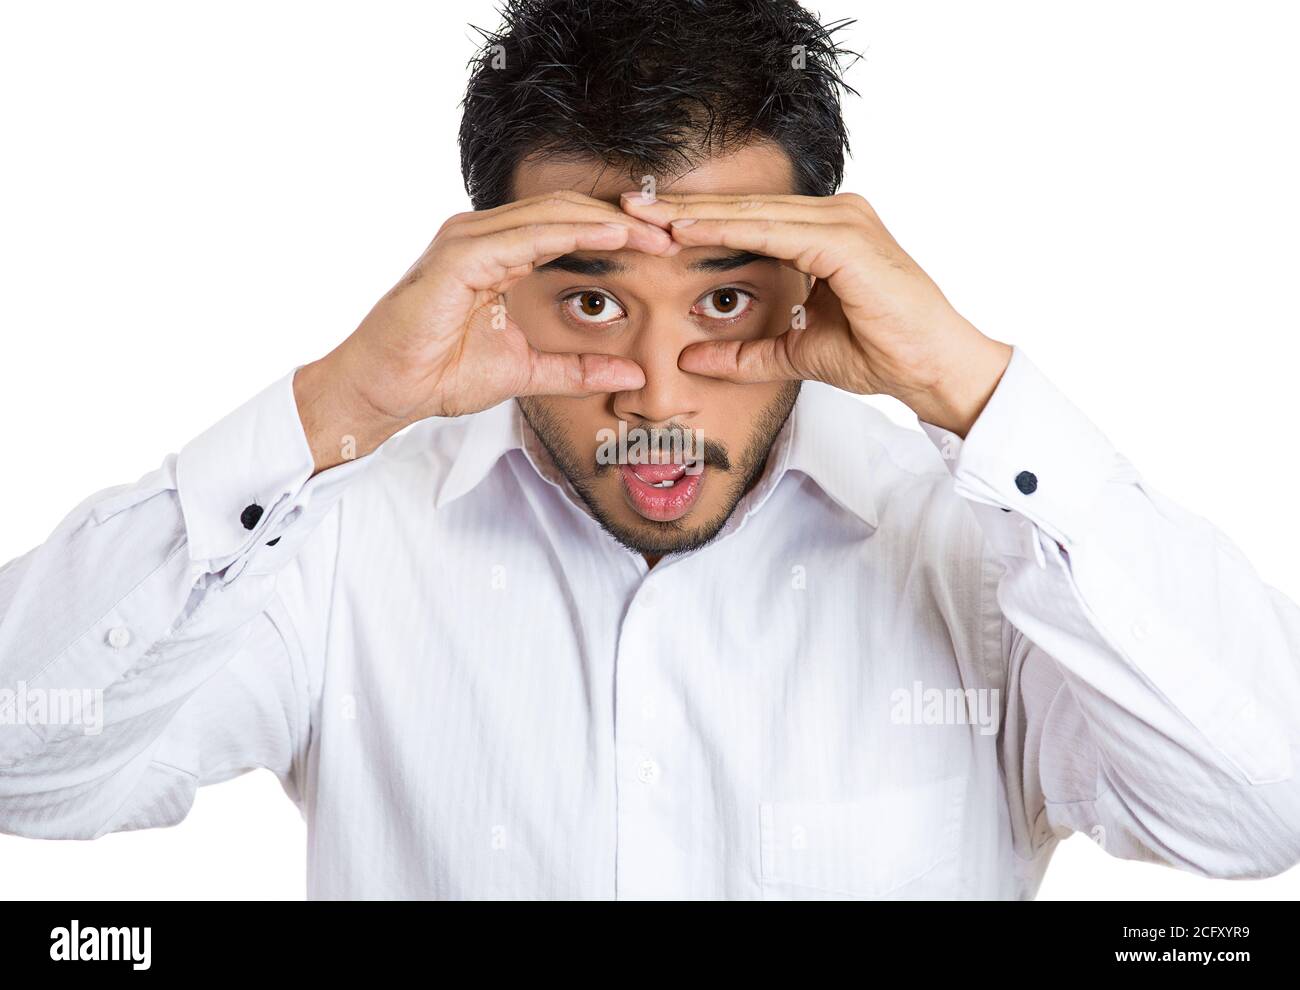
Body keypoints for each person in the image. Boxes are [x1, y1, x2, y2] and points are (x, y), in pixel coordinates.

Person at [2, 0, 1298, 899]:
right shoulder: (339, 542)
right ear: (490, 282)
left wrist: (973, 387)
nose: (656, 389)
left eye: (724, 298)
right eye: (591, 297)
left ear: (815, 278)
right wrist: (332, 407)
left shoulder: (986, 561)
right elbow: (23, 759)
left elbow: (1260, 807)